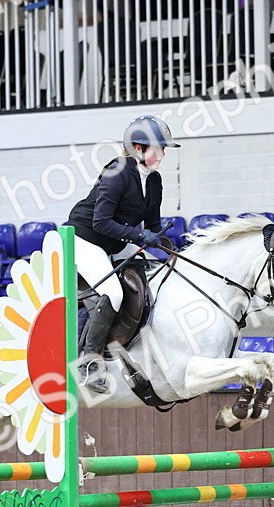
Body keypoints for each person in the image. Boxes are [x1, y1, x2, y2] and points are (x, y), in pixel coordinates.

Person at [66, 114, 179, 393]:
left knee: (153, 274)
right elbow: (100, 222)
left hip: (113, 242)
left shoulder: (154, 180)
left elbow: (152, 225)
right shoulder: (116, 172)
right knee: (114, 293)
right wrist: (141, 236)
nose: (163, 154)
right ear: (138, 148)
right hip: (85, 238)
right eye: (158, 149)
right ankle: (88, 364)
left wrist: (169, 247)